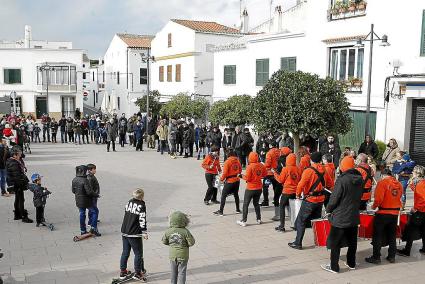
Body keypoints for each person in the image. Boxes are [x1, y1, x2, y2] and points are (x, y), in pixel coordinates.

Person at [321, 156, 363, 273]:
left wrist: (328, 209)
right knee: (352, 241)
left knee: (335, 242)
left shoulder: (342, 180)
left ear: (343, 166)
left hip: (340, 216)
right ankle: (351, 263)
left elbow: (334, 199)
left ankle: (334, 266)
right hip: (353, 215)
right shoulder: (360, 179)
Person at [288, 152, 333, 250]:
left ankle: (298, 242)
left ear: (311, 160)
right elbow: (330, 183)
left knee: (301, 221)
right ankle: (320, 240)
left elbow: (300, 185)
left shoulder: (308, 170)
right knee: (316, 221)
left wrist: (298, 195)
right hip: (320, 200)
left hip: (310, 200)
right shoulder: (324, 169)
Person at [365, 168, 402, 264]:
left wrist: (373, 207)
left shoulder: (382, 183)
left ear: (382, 175)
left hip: (383, 213)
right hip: (395, 213)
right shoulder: (399, 184)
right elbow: (400, 196)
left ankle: (376, 257)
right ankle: (391, 256)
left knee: (377, 235)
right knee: (392, 235)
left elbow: (378, 199)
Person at [119, 188, 148, 281]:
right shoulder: (141, 205)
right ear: (142, 196)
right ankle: (138, 273)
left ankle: (123, 272)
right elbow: (142, 219)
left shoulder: (129, 202)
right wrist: (144, 232)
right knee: (138, 254)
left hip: (124, 230)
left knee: (125, 252)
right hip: (134, 233)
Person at [397, 165, 425, 257]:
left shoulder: (420, 184)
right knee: (423, 230)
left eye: (413, 171)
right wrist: (412, 184)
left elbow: (422, 198)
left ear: (417, 173)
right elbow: (418, 192)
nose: (412, 173)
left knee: (410, 230)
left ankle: (407, 250)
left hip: (419, 212)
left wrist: (416, 208)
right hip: (422, 212)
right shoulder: (421, 183)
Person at [162, 211, 195, 284]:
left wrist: (171, 244)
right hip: (183, 256)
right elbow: (191, 243)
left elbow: (164, 241)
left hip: (172, 255)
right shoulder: (185, 231)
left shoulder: (168, 231)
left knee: (173, 273)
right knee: (182, 273)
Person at [237, 152, 267, 227]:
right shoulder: (261, 165)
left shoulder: (250, 167)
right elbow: (265, 174)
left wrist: (240, 176)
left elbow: (247, 178)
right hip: (259, 187)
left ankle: (244, 220)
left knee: (246, 204)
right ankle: (258, 219)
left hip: (250, 188)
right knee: (256, 203)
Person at [273, 153, 301, 232]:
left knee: (282, 206)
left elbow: (280, 180)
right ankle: (295, 225)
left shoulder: (286, 169)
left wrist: (274, 173)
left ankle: (282, 226)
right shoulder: (298, 169)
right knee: (293, 208)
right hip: (295, 191)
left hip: (287, 191)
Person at [71, 165, 100, 236]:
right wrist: (96, 195)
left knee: (82, 214)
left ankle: (83, 230)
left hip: (78, 200)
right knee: (95, 211)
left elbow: (73, 191)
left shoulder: (74, 179)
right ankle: (93, 228)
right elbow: (89, 192)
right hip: (86, 201)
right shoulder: (85, 180)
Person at [6, 146, 32, 223]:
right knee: (21, 199)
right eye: (19, 153)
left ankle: (17, 215)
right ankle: (23, 216)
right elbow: (17, 177)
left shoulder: (14, 161)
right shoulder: (13, 163)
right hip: (17, 184)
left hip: (16, 184)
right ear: (15, 154)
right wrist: (23, 184)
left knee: (18, 199)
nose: (21, 154)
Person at [213, 148, 242, 216]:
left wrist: (221, 180)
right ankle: (238, 209)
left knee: (223, 195)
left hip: (230, 181)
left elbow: (225, 173)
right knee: (236, 195)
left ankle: (221, 211)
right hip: (237, 180)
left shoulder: (227, 162)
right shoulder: (237, 160)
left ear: (227, 154)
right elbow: (240, 170)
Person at [261, 143, 282, 222]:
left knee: (265, 187)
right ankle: (277, 203)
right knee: (276, 189)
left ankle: (266, 201)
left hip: (269, 173)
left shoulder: (269, 153)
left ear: (270, 145)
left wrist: (264, 165)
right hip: (277, 173)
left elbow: (268, 164)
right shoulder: (280, 152)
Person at [86, 164, 100, 229]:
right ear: (89, 170)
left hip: (94, 196)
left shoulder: (92, 176)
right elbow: (90, 190)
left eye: (95, 169)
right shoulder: (89, 178)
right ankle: (90, 222)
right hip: (92, 197)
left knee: (94, 208)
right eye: (94, 169)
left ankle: (94, 219)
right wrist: (95, 194)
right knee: (93, 209)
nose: (95, 170)